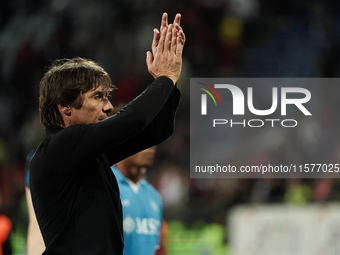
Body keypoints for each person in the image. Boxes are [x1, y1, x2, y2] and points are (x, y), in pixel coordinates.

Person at [29, 13, 185, 255]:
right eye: (98, 96)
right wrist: (163, 79)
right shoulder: (59, 148)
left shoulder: (88, 154)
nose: (109, 106)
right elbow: (133, 119)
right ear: (65, 106)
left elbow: (158, 128)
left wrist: (169, 80)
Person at [111, 146, 164, 255]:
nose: (151, 148)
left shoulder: (154, 196)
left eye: (153, 143)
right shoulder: (106, 187)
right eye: (144, 142)